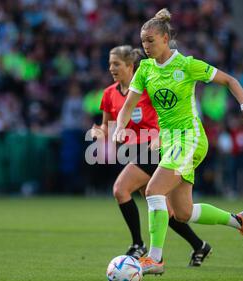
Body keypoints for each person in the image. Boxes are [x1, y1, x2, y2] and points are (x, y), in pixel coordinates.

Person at [113, 9, 243, 275]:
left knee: (153, 190)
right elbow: (128, 105)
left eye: (151, 40)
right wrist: (119, 128)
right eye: (143, 41)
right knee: (183, 213)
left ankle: (155, 259)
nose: (146, 46)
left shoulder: (187, 65)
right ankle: (238, 221)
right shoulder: (145, 69)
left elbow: (229, 80)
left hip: (190, 138)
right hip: (169, 142)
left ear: (166, 38)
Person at [91, 45, 212, 267]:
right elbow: (107, 125)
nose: (112, 68)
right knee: (164, 208)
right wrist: (99, 132)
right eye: (110, 64)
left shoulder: (147, 87)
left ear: (130, 66)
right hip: (133, 151)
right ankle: (199, 245)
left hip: (155, 148)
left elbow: (166, 113)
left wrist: (160, 137)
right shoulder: (109, 94)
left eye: (116, 64)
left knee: (120, 189)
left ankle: (139, 245)